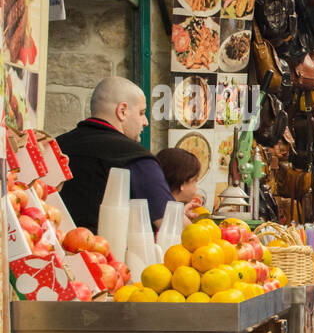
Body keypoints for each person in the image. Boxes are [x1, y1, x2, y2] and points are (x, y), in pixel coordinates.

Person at [58, 76, 174, 232]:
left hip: (54, 249)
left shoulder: (57, 146)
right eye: (141, 112)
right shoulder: (136, 157)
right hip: (109, 253)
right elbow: (171, 224)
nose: (145, 121)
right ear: (122, 111)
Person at [156, 147, 207, 221]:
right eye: (195, 180)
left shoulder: (157, 207)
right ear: (182, 182)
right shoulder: (163, 215)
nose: (196, 187)